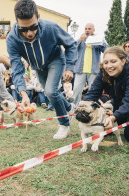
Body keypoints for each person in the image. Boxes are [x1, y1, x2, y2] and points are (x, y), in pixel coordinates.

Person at [6, 0, 77, 139]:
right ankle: (69, 108)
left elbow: (71, 44)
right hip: (38, 67)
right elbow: (17, 68)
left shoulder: (51, 28)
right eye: (23, 29)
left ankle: (64, 124)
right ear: (16, 21)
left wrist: (69, 67)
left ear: (38, 16)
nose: (29, 33)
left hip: (56, 60)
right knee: (52, 93)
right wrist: (24, 94)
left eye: (33, 27)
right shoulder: (11, 40)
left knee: (50, 91)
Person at [83, 46, 129, 144]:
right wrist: (83, 108)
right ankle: (128, 120)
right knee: (102, 128)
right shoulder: (103, 73)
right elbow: (92, 93)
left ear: (123, 61)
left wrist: (113, 117)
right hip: (121, 104)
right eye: (106, 62)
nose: (109, 66)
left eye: (113, 61)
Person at [72, 23, 109, 107]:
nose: (87, 30)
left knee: (94, 91)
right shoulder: (81, 39)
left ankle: (91, 109)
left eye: (89, 28)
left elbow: (107, 50)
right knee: (76, 90)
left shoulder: (97, 39)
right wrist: (79, 40)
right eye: (85, 28)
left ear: (93, 30)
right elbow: (72, 47)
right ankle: (73, 109)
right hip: (80, 70)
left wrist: (101, 43)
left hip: (93, 70)